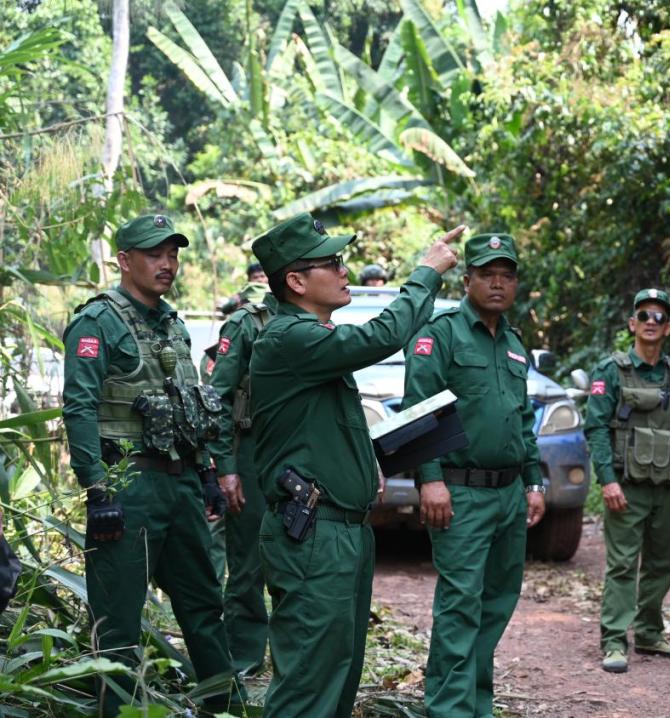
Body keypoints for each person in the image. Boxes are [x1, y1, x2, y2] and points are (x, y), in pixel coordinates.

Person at [250, 212, 461, 717]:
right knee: (308, 684)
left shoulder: (314, 342)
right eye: (332, 263)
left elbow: (319, 430)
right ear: (296, 281)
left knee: (337, 676)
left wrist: (365, 463)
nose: (345, 272)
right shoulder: (290, 338)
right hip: (313, 536)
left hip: (341, 530)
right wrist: (426, 272)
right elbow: (381, 337)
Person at [61, 213, 242, 715]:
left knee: (205, 606)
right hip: (128, 485)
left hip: (182, 482)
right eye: (154, 255)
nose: (167, 265)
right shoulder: (97, 321)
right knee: (117, 619)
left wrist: (206, 473)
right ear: (124, 260)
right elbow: (78, 406)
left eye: (173, 254)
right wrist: (96, 489)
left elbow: (188, 404)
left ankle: (224, 706)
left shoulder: (173, 324)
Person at [401, 232, 546, 718]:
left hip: (507, 494)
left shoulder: (514, 343)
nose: (498, 284)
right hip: (460, 493)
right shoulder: (440, 334)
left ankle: (476, 704)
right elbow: (417, 409)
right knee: (461, 605)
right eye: (488, 274)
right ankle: (448, 708)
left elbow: (521, 417)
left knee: (497, 602)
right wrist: (431, 479)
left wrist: (533, 481)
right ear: (467, 280)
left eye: (507, 275)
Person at [584, 288, 670, 674]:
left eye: (659, 317)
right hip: (627, 484)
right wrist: (607, 480)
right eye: (644, 315)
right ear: (632, 324)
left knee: (662, 563)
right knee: (622, 564)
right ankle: (615, 640)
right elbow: (597, 427)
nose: (651, 322)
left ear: (668, 328)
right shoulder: (611, 371)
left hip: (667, 485)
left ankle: (650, 632)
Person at [204, 280, 278, 674]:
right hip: (252, 452)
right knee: (248, 562)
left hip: (302, 453)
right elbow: (217, 398)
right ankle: (245, 656)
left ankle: (291, 655)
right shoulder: (247, 324)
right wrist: (226, 467)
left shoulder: (319, 320)